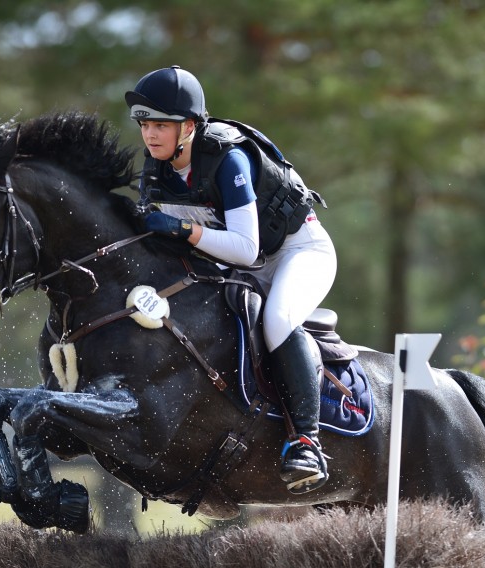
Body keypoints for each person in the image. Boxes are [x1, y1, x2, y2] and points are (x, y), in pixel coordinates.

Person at [125, 65, 337, 494]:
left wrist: (183, 230)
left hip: (298, 252)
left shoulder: (226, 158)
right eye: (145, 124)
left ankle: (306, 442)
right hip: (241, 264)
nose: (150, 134)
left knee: (276, 319)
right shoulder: (156, 167)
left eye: (161, 124)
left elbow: (247, 249)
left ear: (189, 126)